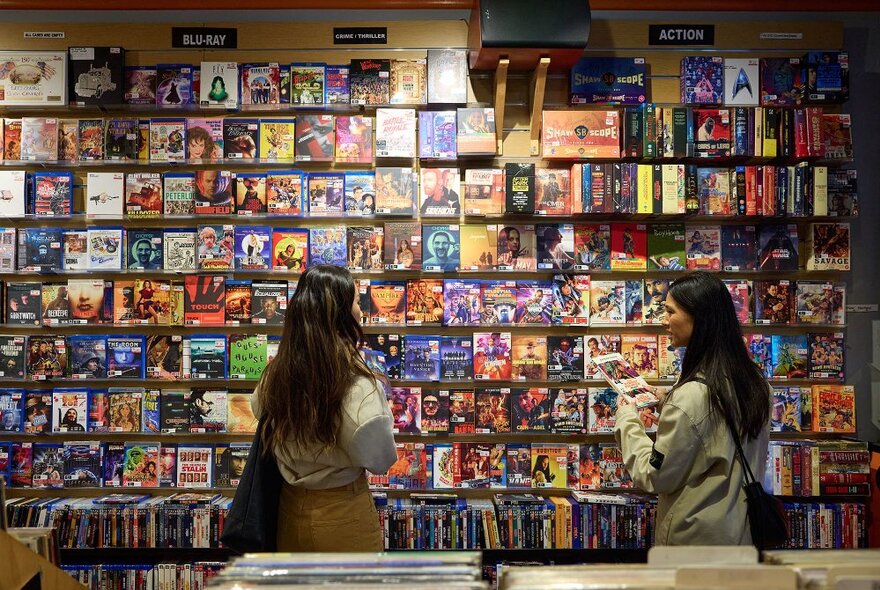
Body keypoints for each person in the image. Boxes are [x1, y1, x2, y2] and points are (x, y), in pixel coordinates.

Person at [614, 271, 770, 546]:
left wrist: (627, 418)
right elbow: (716, 427)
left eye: (670, 312)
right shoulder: (754, 382)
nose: (664, 321)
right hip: (741, 533)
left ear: (699, 318)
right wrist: (666, 400)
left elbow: (654, 476)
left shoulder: (691, 396)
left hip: (696, 541)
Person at [251, 265, 396, 552]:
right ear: (340, 315)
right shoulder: (358, 387)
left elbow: (257, 408)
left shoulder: (277, 373)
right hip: (342, 514)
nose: (361, 311)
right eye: (356, 302)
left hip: (288, 508)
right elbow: (381, 459)